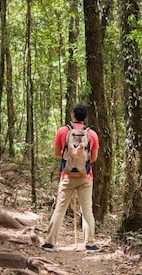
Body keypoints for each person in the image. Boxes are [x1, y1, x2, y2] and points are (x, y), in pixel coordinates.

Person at [42, 103, 101, 253]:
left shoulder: (63, 131)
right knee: (87, 210)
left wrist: (70, 161)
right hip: (85, 177)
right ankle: (90, 244)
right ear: (84, 118)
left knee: (60, 209)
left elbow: (57, 153)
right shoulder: (92, 134)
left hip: (66, 176)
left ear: (73, 115)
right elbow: (93, 158)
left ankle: (49, 243)